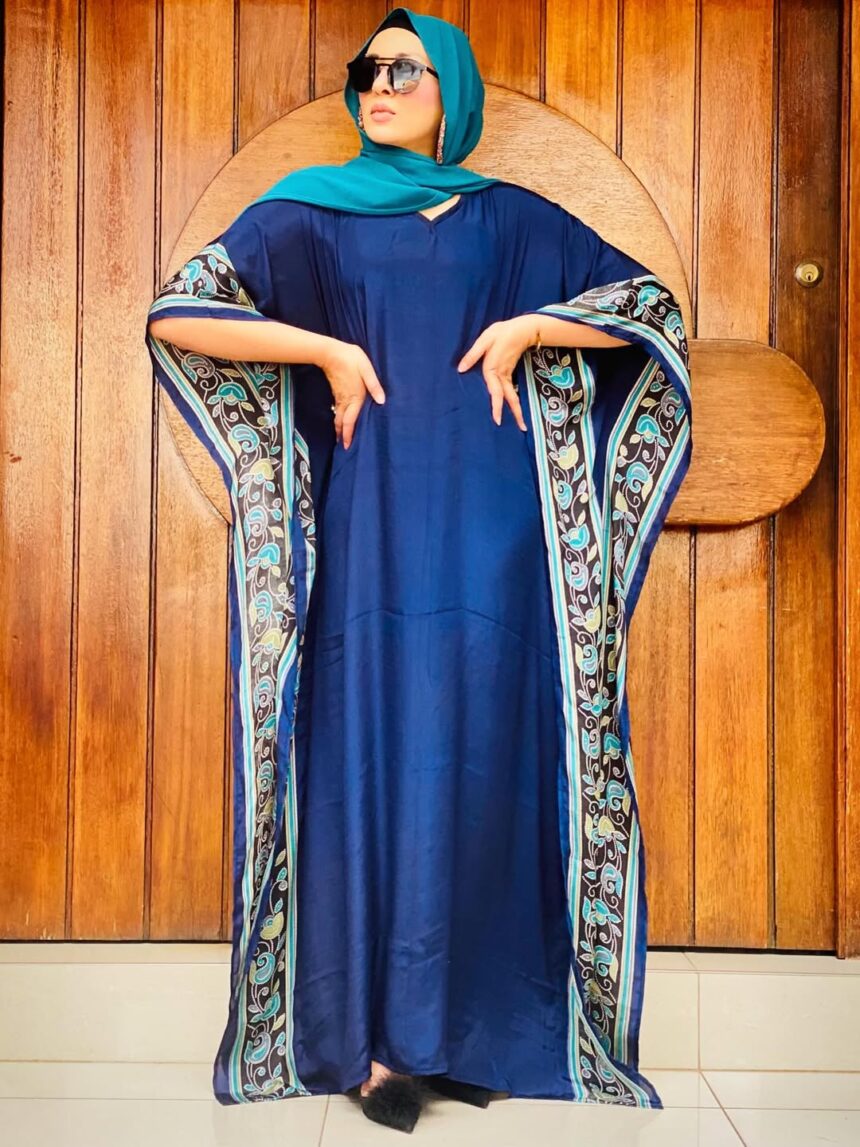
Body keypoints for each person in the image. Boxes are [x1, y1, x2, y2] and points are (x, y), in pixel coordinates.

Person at [146, 6, 691, 1135]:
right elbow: (181, 312)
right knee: (370, 748)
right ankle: (366, 1040)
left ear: (453, 89)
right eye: (369, 69)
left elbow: (648, 312)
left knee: (484, 753)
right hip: (370, 528)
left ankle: (465, 1031)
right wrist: (325, 349)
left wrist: (534, 326)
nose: (380, 85)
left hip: (497, 536)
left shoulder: (513, 219)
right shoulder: (311, 212)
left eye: (406, 69)